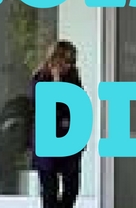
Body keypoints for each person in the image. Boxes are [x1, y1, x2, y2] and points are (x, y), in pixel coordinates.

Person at [29, 40, 84, 208]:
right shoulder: (40, 78)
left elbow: (76, 106)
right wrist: (56, 82)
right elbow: (46, 108)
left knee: (72, 188)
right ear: (54, 59)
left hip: (69, 138)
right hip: (48, 139)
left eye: (72, 61)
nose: (69, 65)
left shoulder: (73, 78)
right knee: (49, 191)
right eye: (66, 61)